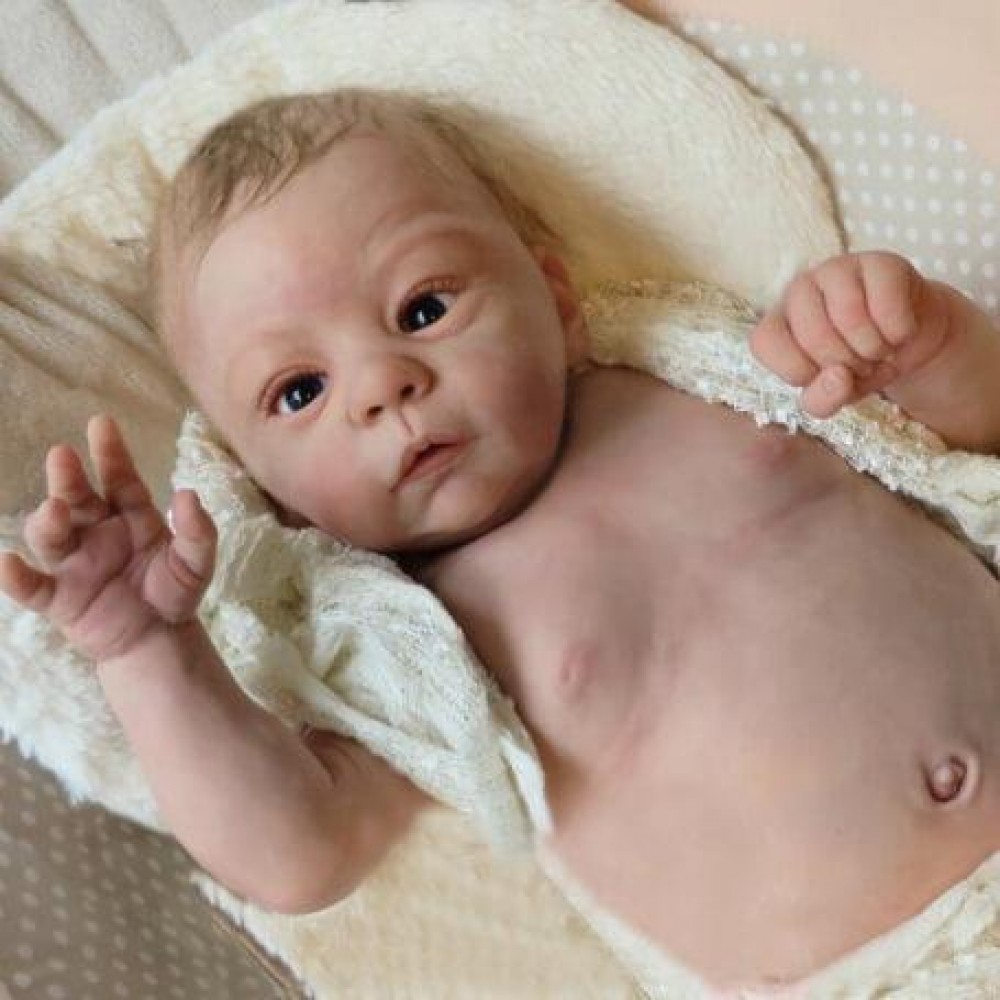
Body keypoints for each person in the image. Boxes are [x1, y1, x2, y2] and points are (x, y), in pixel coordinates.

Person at [3, 88, 1000, 994]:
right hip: (897, 970)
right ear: (270, 494)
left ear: (556, 302)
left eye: (423, 308)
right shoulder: (412, 637)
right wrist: (142, 647)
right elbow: (298, 856)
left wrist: (919, 340)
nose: (383, 383)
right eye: (299, 391)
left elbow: (960, 451)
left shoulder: (699, 368)